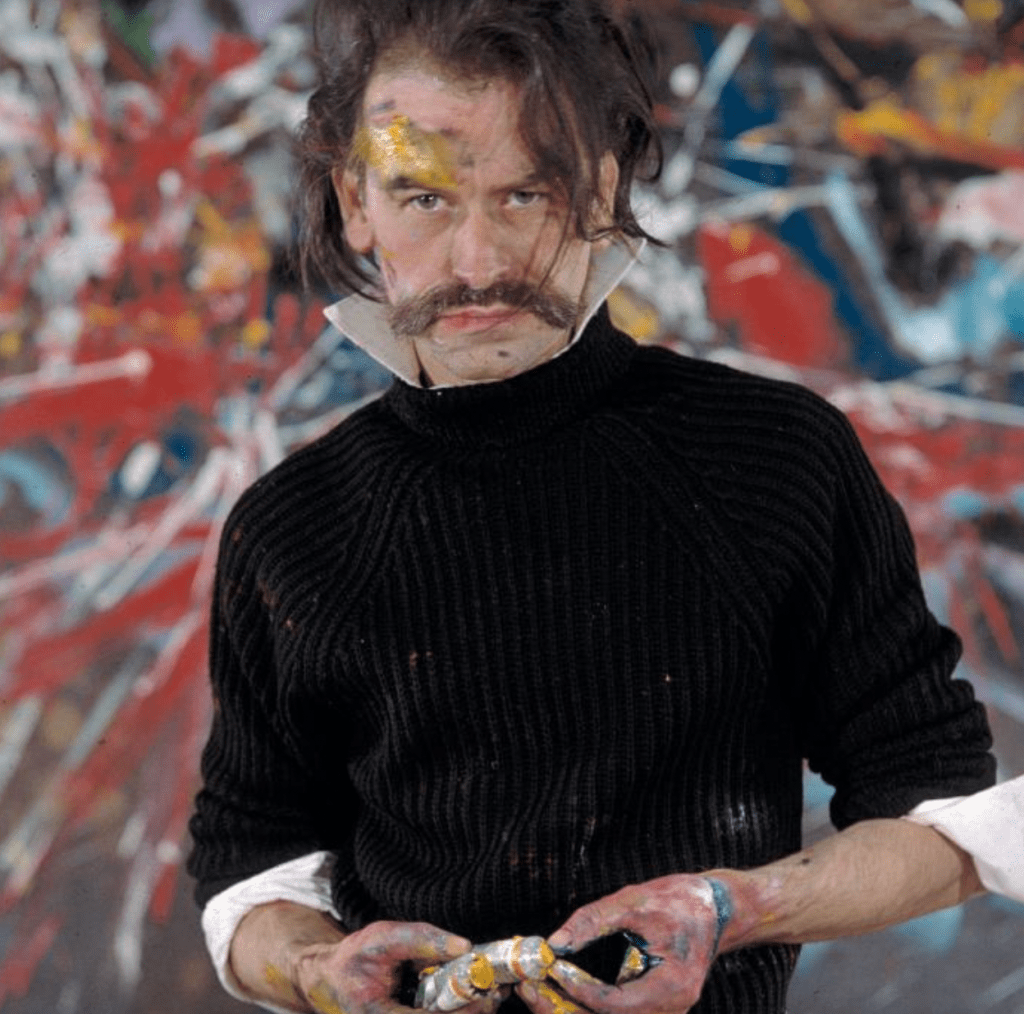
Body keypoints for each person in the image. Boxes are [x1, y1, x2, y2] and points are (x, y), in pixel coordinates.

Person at [186, 1, 998, 1012]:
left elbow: (946, 821)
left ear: (605, 191)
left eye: (527, 193)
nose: (478, 262)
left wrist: (735, 908)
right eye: (424, 198)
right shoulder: (289, 526)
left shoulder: (774, 459)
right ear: (356, 204)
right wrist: (315, 968)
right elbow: (251, 866)